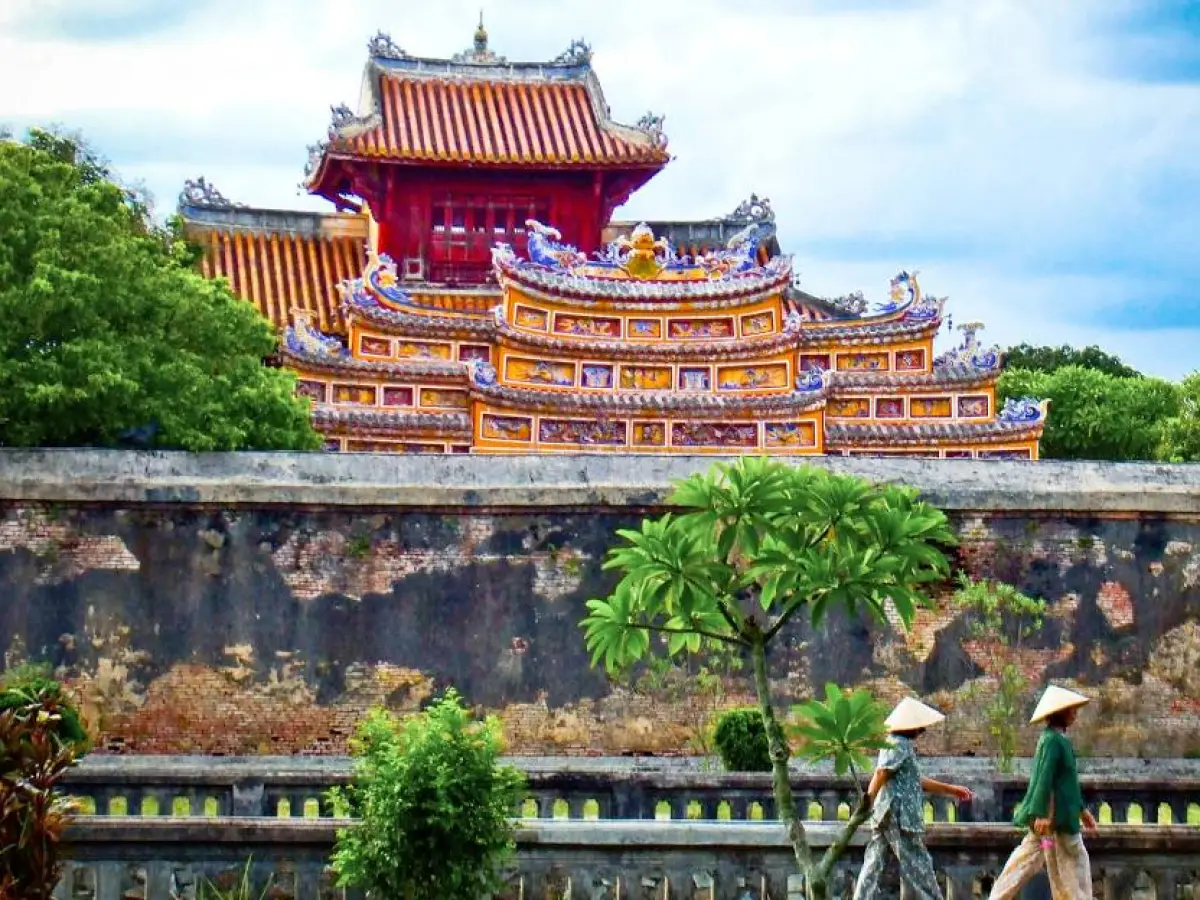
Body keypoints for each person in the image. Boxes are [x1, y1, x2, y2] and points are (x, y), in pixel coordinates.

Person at [852, 698, 974, 900]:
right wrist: (868, 801)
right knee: (919, 863)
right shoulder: (898, 744)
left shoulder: (897, 744)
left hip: (887, 815)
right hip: (898, 816)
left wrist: (952, 790)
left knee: (874, 863)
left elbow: (915, 780)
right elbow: (881, 773)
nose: (922, 729)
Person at [989, 685, 1097, 899]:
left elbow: (1066, 783)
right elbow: (1045, 779)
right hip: (1054, 823)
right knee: (1072, 864)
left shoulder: (1057, 740)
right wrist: (1043, 815)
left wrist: (1082, 811)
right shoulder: (1052, 741)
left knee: (1038, 859)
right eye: (1072, 709)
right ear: (1061, 713)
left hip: (1050, 829)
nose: (1075, 713)